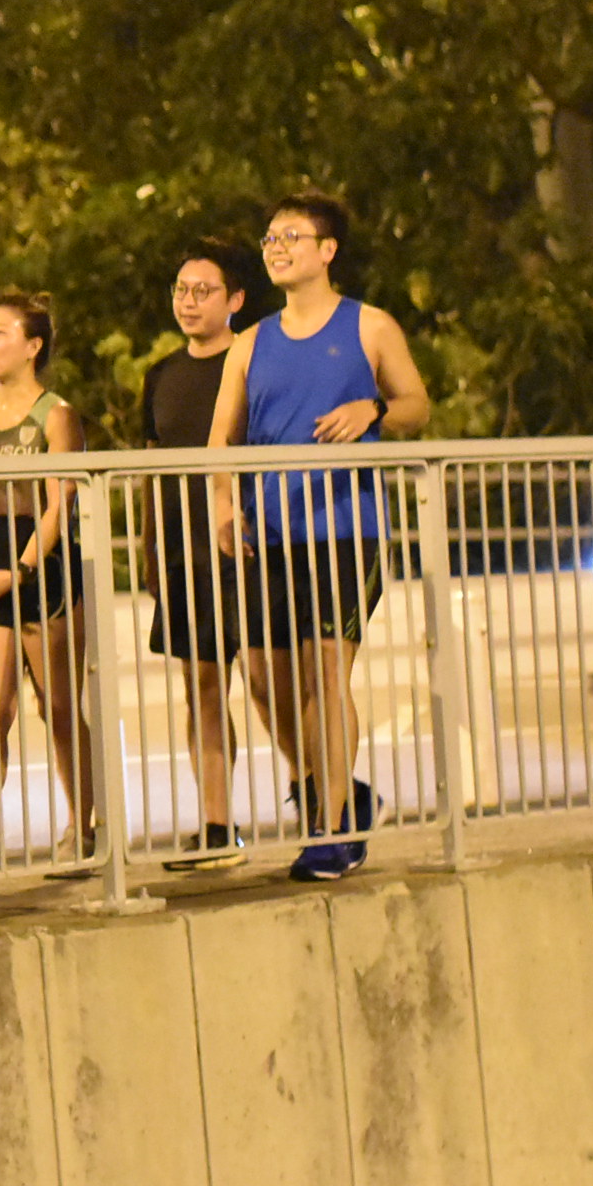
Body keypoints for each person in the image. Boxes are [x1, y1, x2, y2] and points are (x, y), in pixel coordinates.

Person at [209, 191, 429, 881]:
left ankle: (330, 829)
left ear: (327, 250)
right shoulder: (250, 343)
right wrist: (224, 506)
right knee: (265, 678)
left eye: (292, 237)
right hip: (269, 535)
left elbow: (417, 406)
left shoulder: (370, 326)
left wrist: (373, 410)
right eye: (270, 239)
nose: (277, 248)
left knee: (325, 670)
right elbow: (221, 441)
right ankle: (341, 791)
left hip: (344, 529)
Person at [0, 292, 102, 878]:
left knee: (57, 707)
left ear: (33, 346)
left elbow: (59, 504)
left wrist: (26, 568)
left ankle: (84, 825)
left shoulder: (56, 415)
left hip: (43, 565)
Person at [141, 241, 261, 869]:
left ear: (235, 299)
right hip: (184, 553)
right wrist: (150, 551)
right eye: (181, 290)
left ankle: (323, 802)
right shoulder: (161, 375)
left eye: (202, 291)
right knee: (203, 688)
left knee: (270, 684)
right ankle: (217, 824)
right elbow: (150, 467)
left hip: (250, 547)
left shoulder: (253, 365)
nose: (188, 302)